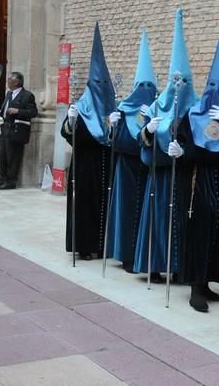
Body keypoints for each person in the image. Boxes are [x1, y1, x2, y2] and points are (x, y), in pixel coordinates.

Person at [174, 13, 219, 312]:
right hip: (197, 183)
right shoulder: (191, 116)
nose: (218, 92)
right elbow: (186, 149)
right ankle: (195, 286)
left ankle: (208, 281)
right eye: (213, 85)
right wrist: (184, 151)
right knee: (199, 231)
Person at [133, 8, 199, 283]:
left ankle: (181, 266)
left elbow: (202, 144)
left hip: (184, 178)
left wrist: (185, 152)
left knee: (183, 221)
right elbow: (142, 142)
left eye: (183, 81)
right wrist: (149, 130)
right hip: (159, 178)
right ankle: (156, 264)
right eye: (175, 81)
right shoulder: (157, 107)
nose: (179, 86)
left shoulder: (196, 109)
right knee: (158, 221)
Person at [62, 23, 117, 260]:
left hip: (107, 165)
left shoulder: (112, 108)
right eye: (97, 85)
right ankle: (84, 246)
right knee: (84, 206)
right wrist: (71, 122)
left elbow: (116, 140)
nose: (101, 89)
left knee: (106, 204)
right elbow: (69, 135)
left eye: (104, 85)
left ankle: (104, 244)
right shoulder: (81, 107)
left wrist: (116, 126)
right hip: (85, 166)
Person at [105, 30, 157, 272]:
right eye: (142, 85)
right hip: (126, 169)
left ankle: (144, 256)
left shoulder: (158, 108)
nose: (146, 89)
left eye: (150, 85)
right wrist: (114, 128)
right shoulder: (123, 110)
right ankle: (126, 254)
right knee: (126, 212)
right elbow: (119, 143)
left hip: (149, 170)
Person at [0, 70, 37, 188]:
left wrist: (18, 111)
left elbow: (33, 112)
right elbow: (4, 108)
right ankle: (2, 179)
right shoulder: (9, 94)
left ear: (17, 82)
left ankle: (11, 181)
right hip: (5, 127)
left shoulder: (27, 95)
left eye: (10, 79)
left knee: (13, 156)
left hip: (16, 130)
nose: (7, 81)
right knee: (2, 154)